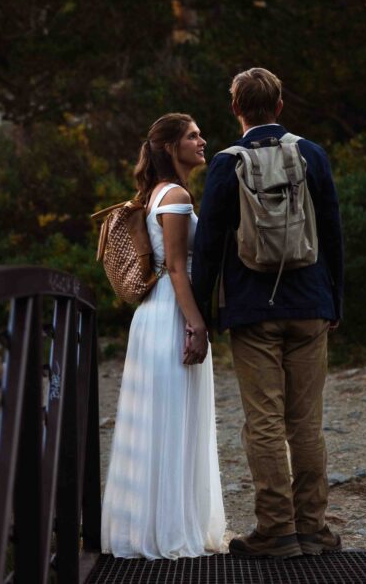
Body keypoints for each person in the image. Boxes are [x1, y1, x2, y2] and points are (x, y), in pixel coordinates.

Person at [192, 68, 344, 559]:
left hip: (253, 310)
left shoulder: (225, 163)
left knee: (263, 422)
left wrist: (200, 312)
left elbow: (210, 245)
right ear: (280, 107)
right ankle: (315, 530)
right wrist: (333, 301)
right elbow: (334, 234)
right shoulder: (311, 154)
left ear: (236, 109)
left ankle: (277, 530)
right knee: (306, 423)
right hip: (310, 304)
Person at [100, 113, 226, 559]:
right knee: (174, 422)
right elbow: (175, 266)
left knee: (166, 422)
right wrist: (196, 324)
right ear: (172, 147)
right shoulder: (175, 196)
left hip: (156, 317)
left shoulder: (156, 193)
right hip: (173, 314)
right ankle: (169, 533)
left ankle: (153, 527)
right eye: (193, 135)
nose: (202, 140)